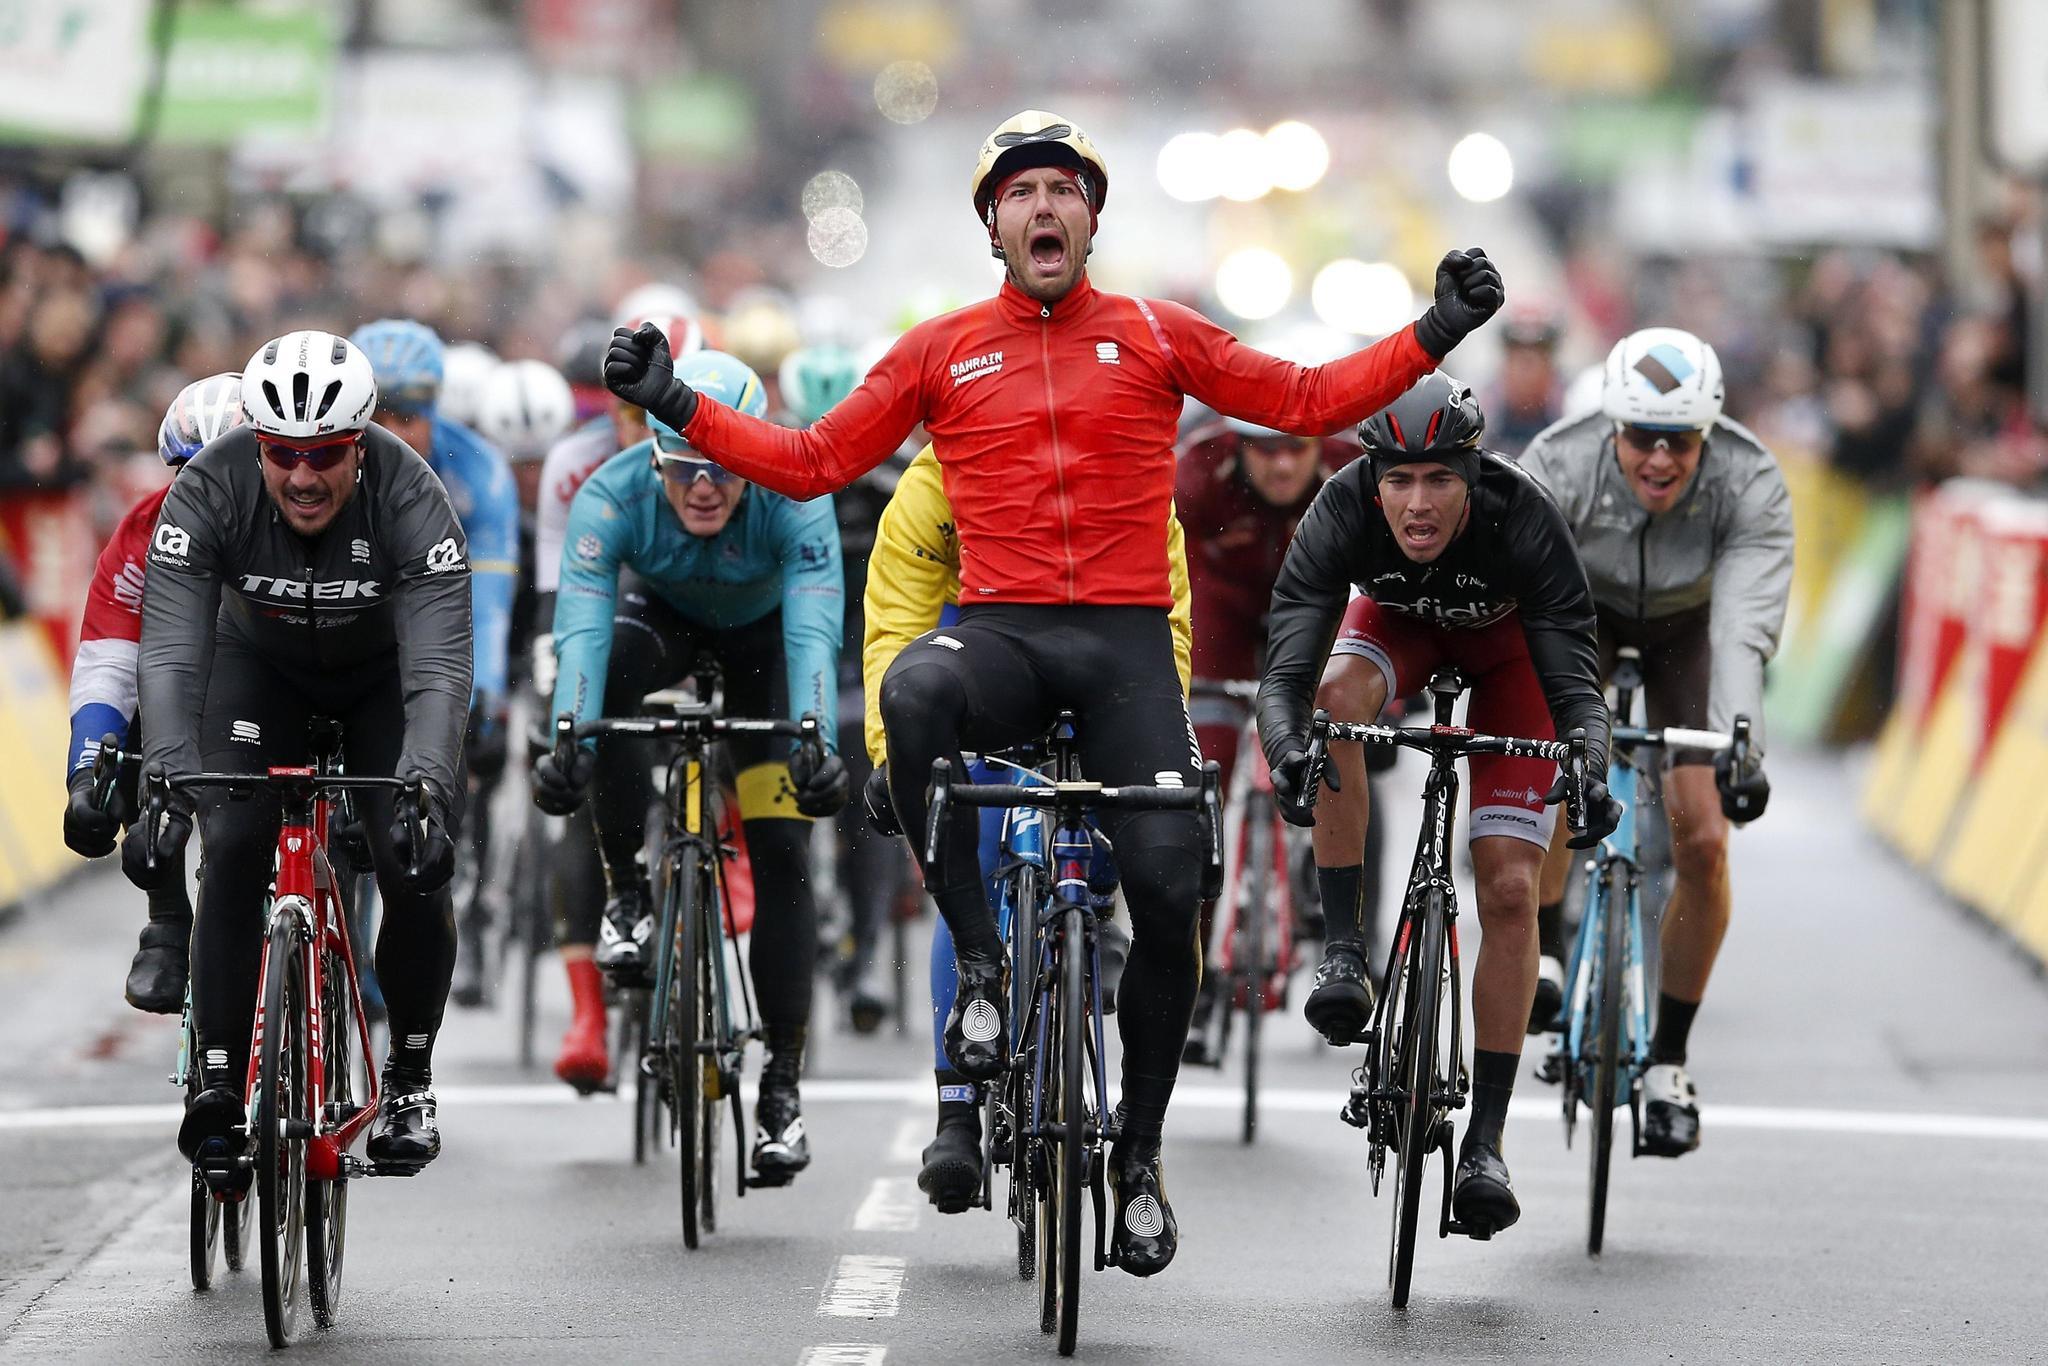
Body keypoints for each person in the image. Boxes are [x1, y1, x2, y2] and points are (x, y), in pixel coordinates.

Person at [602, 108, 1498, 1276]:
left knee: (1168, 892)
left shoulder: (1154, 332)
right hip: (1003, 638)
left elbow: (1307, 398)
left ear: (1089, 218)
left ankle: (1138, 1159)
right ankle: (979, 964)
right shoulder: (940, 349)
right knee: (913, 695)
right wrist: (678, 403)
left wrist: (1435, 329)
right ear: (991, 227)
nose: (1042, 207)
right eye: (1019, 193)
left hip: (1126, 652)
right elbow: (814, 461)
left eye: (1063, 190)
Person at [1256, 371, 1618, 1239]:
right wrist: (1287, 749)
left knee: (1509, 889)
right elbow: (1290, 667)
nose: (1417, 504)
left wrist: (1590, 762)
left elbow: (1574, 678)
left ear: (1473, 474)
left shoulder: (1523, 514)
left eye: (1440, 480)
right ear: (1372, 478)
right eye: (1400, 481)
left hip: (1511, 657)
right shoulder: (1340, 507)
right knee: (1333, 704)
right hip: (1399, 630)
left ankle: (1486, 1142)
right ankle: (1345, 950)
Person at [127, 330, 470, 1174]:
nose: (303, 476)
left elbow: (437, 668)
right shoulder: (210, 487)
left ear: (360, 445)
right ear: (257, 445)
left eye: (324, 455)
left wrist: (428, 786)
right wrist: (165, 779)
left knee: (412, 861)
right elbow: (170, 655)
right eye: (283, 454)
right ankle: (218, 1079)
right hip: (258, 671)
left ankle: (410, 1078)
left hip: (380, 678)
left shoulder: (411, 494)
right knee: (235, 842)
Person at [529, 350, 849, 1184]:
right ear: (654, 457)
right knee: (612, 689)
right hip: (659, 622)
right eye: (682, 469)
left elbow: (813, 634)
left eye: (723, 470)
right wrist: (570, 742)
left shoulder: (794, 494)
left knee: (782, 852)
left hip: (764, 646)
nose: (703, 488)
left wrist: (817, 740)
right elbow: (582, 634)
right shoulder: (613, 493)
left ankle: (781, 1088)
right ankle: (628, 892)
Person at [856, 443, 1191, 1210]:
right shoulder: (937, 483)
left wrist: (1158, 742)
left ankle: (1095, 909)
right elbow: (897, 625)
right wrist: (889, 751)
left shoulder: (1129, 463)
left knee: (1143, 826)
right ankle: (956, 1108)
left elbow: (1168, 626)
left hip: (1109, 647)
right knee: (970, 841)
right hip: (976, 638)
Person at [1518, 326, 1786, 1157]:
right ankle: (1548, 952)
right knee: (1556, 769)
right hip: (1581, 613)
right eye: (1642, 437)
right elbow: (1524, 607)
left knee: (1702, 837)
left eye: (1681, 441)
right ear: (1612, 428)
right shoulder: (1558, 463)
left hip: (1690, 631)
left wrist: (1744, 748)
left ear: (1709, 434)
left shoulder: (1750, 480)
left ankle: (1669, 1059)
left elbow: (1741, 630)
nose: (1661, 459)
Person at [527, 314, 695, 1092]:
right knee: (583, 775)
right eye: (626, 410)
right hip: (605, 619)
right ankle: (588, 1016)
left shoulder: (708, 460)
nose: (640, 426)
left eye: (655, 409)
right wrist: (556, 694)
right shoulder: (577, 466)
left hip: (693, 625)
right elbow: (558, 595)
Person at [1173, 413, 1359, 1062]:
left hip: (1315, 612)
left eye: (1296, 450)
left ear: (1318, 446)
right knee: (1203, 779)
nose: (1282, 465)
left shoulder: (1350, 468)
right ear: (1237, 444)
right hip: (1221, 612)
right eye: (1266, 449)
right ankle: (1194, 981)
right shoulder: (1198, 472)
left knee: (1349, 752)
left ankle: (1346, 925)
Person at [349, 320, 520, 1007]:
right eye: (380, 415)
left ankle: (462, 914)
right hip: (356, 627)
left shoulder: (478, 471)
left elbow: (491, 596)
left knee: (447, 766)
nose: (395, 430)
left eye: (410, 415)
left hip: (437, 626)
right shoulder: (328, 461)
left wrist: (486, 693)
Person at [63, 373, 243, 1012]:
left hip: (281, 681)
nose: (210, 495)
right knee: (137, 738)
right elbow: (110, 660)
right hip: (185, 686)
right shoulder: (143, 531)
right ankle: (167, 918)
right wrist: (86, 773)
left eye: (230, 474)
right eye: (192, 476)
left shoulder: (305, 520)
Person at [1487, 305, 1566, 456]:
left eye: (1536, 357)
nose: (1526, 371)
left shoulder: (1571, 412)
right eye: (1519, 357)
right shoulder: (1479, 415)